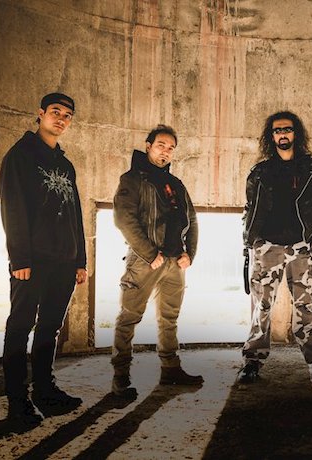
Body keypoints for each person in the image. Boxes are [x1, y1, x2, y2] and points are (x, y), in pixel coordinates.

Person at [0, 92, 86, 426]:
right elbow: (12, 208)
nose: (61, 119)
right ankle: (17, 402)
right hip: (31, 261)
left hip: (64, 261)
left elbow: (76, 215)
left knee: (50, 327)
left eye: (67, 115)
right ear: (41, 113)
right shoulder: (20, 155)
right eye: (55, 112)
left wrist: (80, 260)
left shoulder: (65, 164)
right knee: (20, 327)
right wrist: (19, 258)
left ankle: (45, 391)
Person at [238, 110, 312, 384]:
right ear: (271, 137)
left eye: (287, 129)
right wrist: (252, 240)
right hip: (267, 248)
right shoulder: (260, 172)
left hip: (302, 248)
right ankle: (252, 361)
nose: (282, 134)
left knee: (305, 306)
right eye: (277, 130)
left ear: (296, 134)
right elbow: (249, 208)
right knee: (261, 306)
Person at [111, 124, 202, 397]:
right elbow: (124, 219)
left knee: (169, 319)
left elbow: (192, 220)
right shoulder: (132, 179)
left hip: (175, 262)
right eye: (161, 145)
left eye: (171, 148)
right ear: (148, 146)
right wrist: (150, 254)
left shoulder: (176, 184)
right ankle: (120, 377)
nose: (166, 151)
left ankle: (170, 369)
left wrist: (189, 254)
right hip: (144, 261)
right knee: (129, 318)